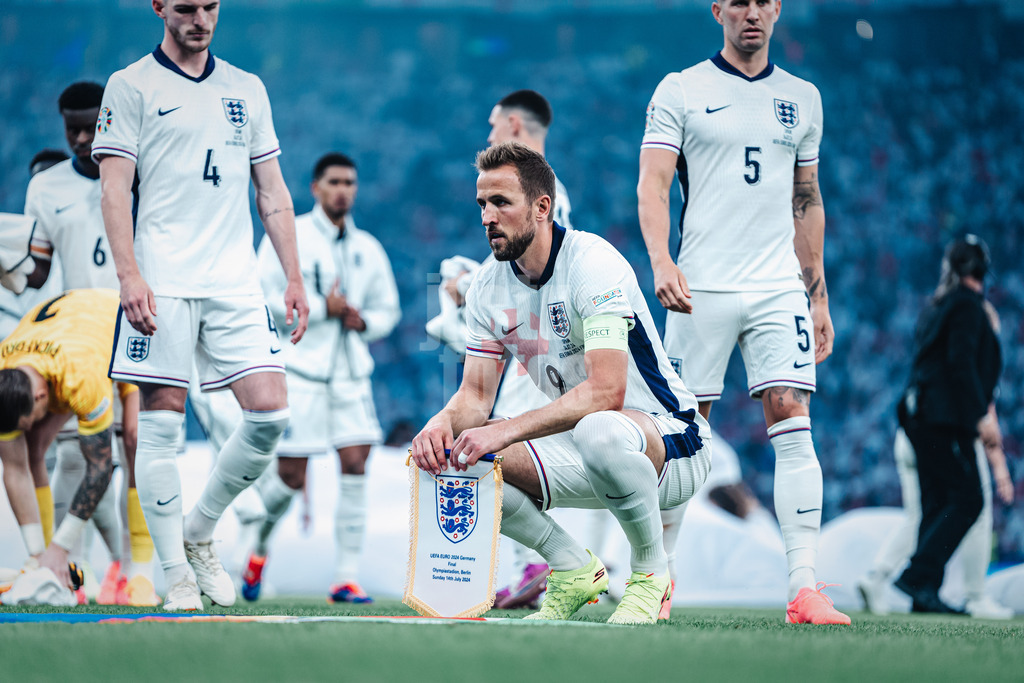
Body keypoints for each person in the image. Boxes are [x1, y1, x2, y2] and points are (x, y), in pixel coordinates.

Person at [412, 142, 712, 625]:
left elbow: (606, 392)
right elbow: (474, 396)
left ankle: (650, 576)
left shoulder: (593, 263)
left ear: (542, 207)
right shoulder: (488, 287)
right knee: (462, 457)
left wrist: (503, 430)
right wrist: (441, 426)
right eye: (482, 205)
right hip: (583, 450)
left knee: (599, 428)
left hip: (670, 444)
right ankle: (572, 567)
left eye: (502, 203)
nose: (487, 217)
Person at [637, 0, 848, 625]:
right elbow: (652, 184)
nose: (751, 12)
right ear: (718, 11)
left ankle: (805, 587)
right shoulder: (681, 89)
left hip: (778, 286)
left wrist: (818, 294)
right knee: (685, 431)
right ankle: (658, 577)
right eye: (740, 2)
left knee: (792, 413)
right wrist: (660, 261)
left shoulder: (803, 97)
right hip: (700, 285)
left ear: (776, 11)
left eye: (763, 2)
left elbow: (806, 201)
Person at [93, 0, 308, 611]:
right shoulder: (130, 85)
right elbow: (114, 191)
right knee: (161, 424)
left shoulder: (247, 88)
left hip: (236, 280)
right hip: (162, 278)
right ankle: (175, 576)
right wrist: (129, 276)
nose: (200, 19)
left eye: (210, 6)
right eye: (186, 7)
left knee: (270, 415)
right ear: (159, 7)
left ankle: (198, 531)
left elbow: (272, 193)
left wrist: (291, 275)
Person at [429, 89, 580, 610]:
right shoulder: (554, 189)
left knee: (502, 452)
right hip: (531, 341)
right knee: (501, 451)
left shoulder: (541, 193)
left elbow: (525, 277)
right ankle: (531, 567)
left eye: (494, 127)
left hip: (531, 348)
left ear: (514, 123)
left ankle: (544, 563)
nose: (489, 135)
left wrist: (463, 286)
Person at [241, 152, 400, 604]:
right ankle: (257, 548)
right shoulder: (288, 238)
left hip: (351, 375)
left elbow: (388, 311)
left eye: (350, 182)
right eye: (334, 182)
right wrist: (314, 304)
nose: (343, 190)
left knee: (356, 463)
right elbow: (263, 295)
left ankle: (345, 577)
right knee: (290, 476)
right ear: (315, 187)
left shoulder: (367, 247)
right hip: (301, 371)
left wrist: (361, 319)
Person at [24, 80, 157, 607]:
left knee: (140, 446)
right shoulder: (47, 187)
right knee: (78, 458)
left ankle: (139, 572)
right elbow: (35, 272)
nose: (82, 137)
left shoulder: (144, 174)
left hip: (143, 324)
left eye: (92, 125)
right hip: (81, 338)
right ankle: (69, 570)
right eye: (72, 129)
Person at [890, 235, 1003, 614]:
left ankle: (924, 593)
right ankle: (919, 575)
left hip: (921, 417)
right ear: (981, 270)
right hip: (943, 421)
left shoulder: (937, 306)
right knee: (969, 498)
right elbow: (961, 363)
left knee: (937, 501)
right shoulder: (967, 307)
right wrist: (980, 416)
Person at [0, 289, 122, 598]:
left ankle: (134, 572)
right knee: (32, 448)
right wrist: (39, 555)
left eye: (30, 418)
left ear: (41, 396)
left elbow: (100, 470)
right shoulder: (4, 370)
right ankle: (38, 555)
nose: (28, 427)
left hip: (118, 323)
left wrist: (61, 547)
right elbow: (13, 466)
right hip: (61, 335)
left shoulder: (82, 378)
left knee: (133, 438)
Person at [858, 405, 1015, 619]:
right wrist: (999, 466)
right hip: (949, 433)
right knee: (975, 508)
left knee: (920, 518)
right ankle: (975, 596)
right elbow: (984, 411)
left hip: (910, 432)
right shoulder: (979, 371)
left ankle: (878, 576)